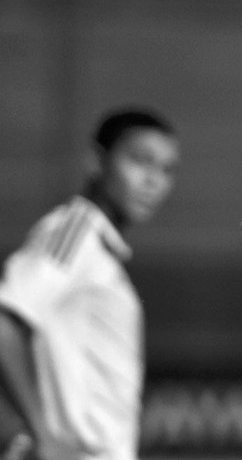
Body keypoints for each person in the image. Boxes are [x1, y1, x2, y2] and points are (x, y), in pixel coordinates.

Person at [0, 108, 180, 460]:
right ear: (97, 162)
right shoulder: (77, 230)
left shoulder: (101, 253)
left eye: (167, 169)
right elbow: (4, 319)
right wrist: (43, 435)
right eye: (140, 161)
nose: (153, 180)